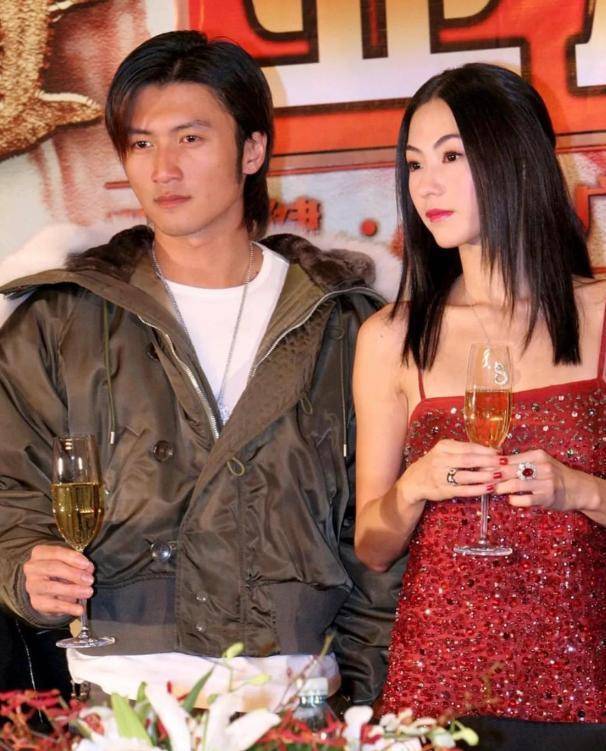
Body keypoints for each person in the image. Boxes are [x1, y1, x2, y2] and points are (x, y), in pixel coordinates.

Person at [0, 30, 402, 709]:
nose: (163, 169)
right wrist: (22, 568)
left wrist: (363, 702)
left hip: (296, 699)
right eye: (141, 143)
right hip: (118, 701)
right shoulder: (62, 318)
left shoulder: (344, 322)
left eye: (190, 138)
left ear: (253, 149)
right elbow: (10, 492)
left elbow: (381, 539)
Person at [353, 63, 606, 749]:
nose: (425, 185)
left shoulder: (598, 313)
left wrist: (577, 489)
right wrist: (414, 486)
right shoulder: (390, 337)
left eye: (452, 157)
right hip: (436, 691)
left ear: (516, 158)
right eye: (414, 164)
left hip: (586, 684)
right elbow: (372, 545)